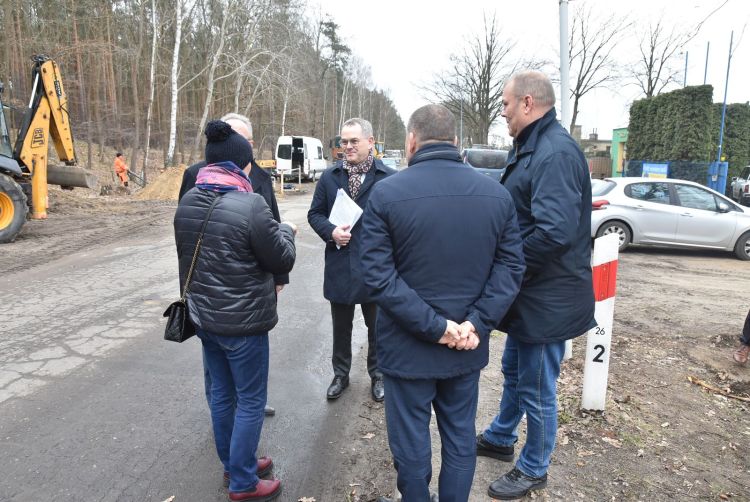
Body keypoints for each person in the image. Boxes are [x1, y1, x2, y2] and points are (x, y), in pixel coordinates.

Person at [360, 104, 526, 502]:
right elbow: (511, 267)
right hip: (465, 347)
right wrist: (474, 324)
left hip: (407, 348)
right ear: (456, 142)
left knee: (411, 446)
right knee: (459, 438)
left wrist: (437, 327)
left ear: (412, 141)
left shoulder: (386, 193)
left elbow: (377, 276)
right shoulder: (496, 195)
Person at [476, 71, 596, 500]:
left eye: (506, 105)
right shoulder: (533, 146)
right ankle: (501, 436)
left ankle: (533, 467)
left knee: (538, 386)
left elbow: (553, 232)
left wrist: (506, 264)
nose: (503, 113)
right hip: (532, 293)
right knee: (513, 370)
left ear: (528, 103)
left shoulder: (554, 153)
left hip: (549, 296)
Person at [174, 120, 296, 501]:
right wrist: (287, 230)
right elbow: (283, 257)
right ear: (242, 166)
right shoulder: (250, 204)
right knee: (250, 400)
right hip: (243, 325)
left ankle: (233, 463)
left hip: (205, 320)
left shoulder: (189, 201)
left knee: (223, 396)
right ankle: (243, 481)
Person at [179, 113, 284, 417]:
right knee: (219, 378)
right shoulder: (195, 175)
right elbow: (187, 236)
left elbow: (272, 226)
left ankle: (242, 413)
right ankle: (229, 418)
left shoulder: (260, 177)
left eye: (243, 139)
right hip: (211, 295)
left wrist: (279, 277)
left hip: (250, 289)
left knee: (245, 376)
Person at [307, 117, 396, 402]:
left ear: (370, 142)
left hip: (375, 268)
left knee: (378, 328)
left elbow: (398, 221)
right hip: (341, 264)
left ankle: (379, 375)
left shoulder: (389, 178)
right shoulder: (330, 177)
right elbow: (315, 214)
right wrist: (330, 232)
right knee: (341, 327)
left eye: (353, 141)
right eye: (343, 141)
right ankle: (340, 375)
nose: (347, 146)